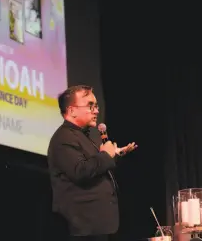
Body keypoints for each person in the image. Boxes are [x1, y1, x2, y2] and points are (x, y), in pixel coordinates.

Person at [47, 85, 137, 241]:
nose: (96, 111)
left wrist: (114, 155)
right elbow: (81, 171)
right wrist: (105, 155)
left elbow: (96, 168)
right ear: (72, 110)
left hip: (97, 227)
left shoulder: (86, 137)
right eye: (90, 106)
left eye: (96, 106)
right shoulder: (63, 138)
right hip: (83, 228)